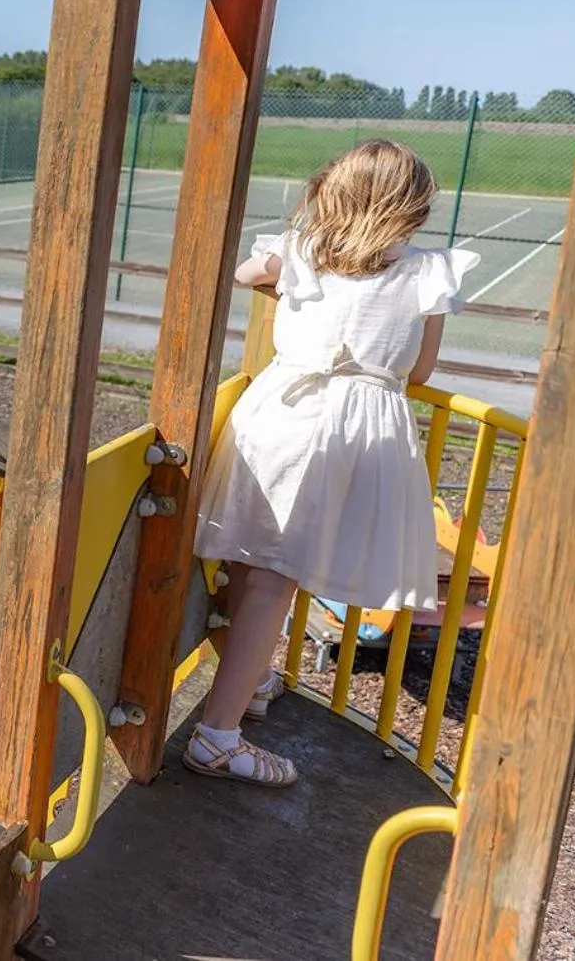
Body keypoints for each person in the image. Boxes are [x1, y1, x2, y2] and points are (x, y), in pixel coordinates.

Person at [185, 140, 477, 786]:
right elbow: (420, 371)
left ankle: (249, 679)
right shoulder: (424, 272)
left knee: (253, 560)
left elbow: (244, 274)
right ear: (409, 207)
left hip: (277, 413)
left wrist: (289, 286)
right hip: (350, 429)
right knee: (276, 576)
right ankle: (217, 736)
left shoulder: (302, 250)